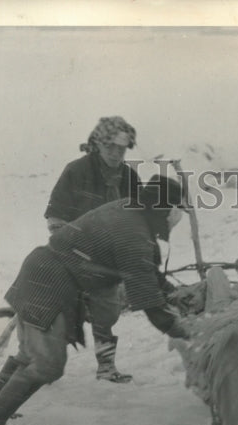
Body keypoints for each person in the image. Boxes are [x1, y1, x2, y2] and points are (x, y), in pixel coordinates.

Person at [0, 175, 190, 425]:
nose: (175, 220)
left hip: (43, 271)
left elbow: (146, 272)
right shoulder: (135, 232)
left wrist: (174, 294)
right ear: (162, 209)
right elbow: (148, 300)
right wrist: (184, 330)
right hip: (50, 283)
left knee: (29, 355)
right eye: (175, 212)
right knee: (47, 364)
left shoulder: (131, 211)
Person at [45, 116, 142, 383]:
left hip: (107, 258)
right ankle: (41, 367)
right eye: (110, 147)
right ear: (97, 144)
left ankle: (106, 367)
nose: (115, 153)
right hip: (71, 253)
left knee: (107, 313)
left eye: (121, 149)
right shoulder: (76, 171)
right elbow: (55, 216)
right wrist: (69, 250)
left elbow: (137, 218)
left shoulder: (129, 177)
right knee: (60, 314)